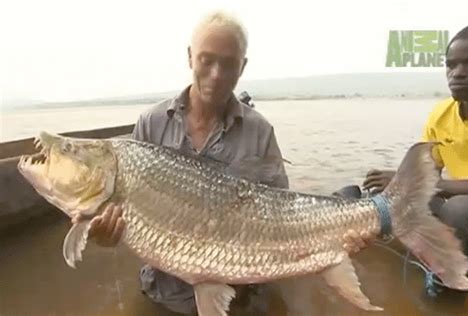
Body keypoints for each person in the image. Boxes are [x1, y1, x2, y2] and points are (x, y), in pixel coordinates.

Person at [75, 11, 369, 315]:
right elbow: (127, 221)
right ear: (190, 58)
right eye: (206, 60)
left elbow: (282, 218)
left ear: (242, 66)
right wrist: (107, 235)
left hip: (241, 297)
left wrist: (336, 236)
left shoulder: (259, 131)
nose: (216, 74)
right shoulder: (151, 123)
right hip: (162, 293)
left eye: (228, 64)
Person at [338, 24, 468, 265]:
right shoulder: (442, 114)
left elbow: (437, 184)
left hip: (464, 209)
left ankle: (455, 285)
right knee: (383, 197)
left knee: (459, 210)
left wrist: (425, 184)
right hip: (453, 201)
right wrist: (400, 183)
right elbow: (429, 171)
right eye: (451, 65)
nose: (458, 73)